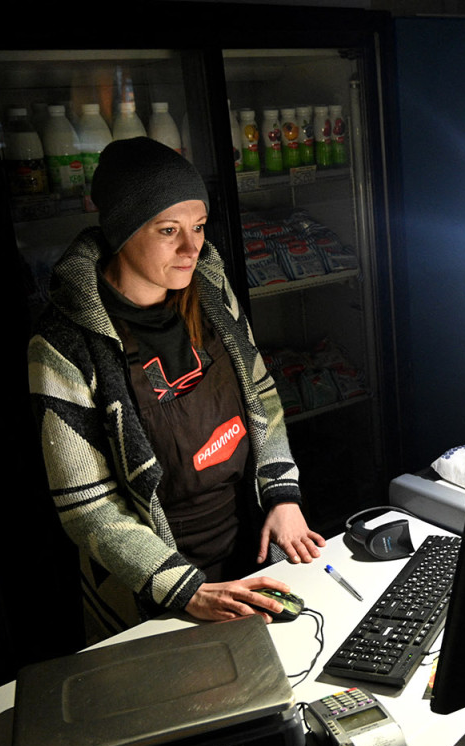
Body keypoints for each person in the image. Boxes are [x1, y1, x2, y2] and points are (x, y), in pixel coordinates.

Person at [28, 136, 325, 642]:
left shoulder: (210, 295)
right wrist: (185, 589)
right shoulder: (63, 344)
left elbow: (262, 397)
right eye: (169, 231)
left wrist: (281, 495)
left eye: (198, 227)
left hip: (246, 551)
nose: (192, 248)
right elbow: (87, 507)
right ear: (123, 231)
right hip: (153, 588)